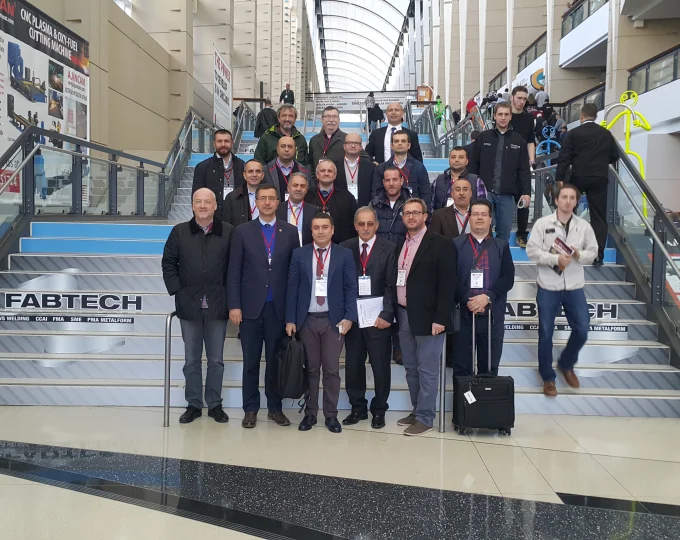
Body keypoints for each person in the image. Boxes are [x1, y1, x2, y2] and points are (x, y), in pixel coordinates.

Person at [227, 184, 300, 429]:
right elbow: (234, 271)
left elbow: (294, 275)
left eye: (271, 198)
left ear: (278, 202)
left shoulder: (290, 232)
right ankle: (250, 409)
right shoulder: (242, 231)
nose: (267, 203)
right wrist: (234, 305)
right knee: (250, 362)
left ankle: (275, 408)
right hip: (249, 309)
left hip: (277, 309)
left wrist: (291, 314)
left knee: (274, 362)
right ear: (255, 202)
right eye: (262, 198)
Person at [161, 188, 234, 424]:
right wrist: (179, 291)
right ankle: (193, 404)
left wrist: (232, 298)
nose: (203, 206)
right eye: (198, 202)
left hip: (218, 305)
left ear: (215, 205)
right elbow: (168, 263)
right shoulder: (179, 231)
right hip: (189, 305)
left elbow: (235, 267)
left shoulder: (228, 232)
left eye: (207, 202)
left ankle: (214, 404)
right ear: (192, 206)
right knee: (191, 361)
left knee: (216, 361)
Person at [285, 212, 358, 433]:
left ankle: (331, 415)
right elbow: (292, 288)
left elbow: (351, 287)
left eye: (325, 227)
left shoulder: (344, 254)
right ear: (311, 230)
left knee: (331, 369)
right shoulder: (299, 254)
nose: (320, 231)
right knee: (311, 369)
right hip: (306, 320)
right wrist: (290, 319)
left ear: (332, 230)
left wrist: (350, 317)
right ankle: (310, 413)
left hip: (333, 321)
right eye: (316, 227)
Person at [526, 183, 598, 396]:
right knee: (546, 333)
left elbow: (593, 252)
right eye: (564, 197)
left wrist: (579, 255)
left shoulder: (584, 226)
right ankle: (548, 377)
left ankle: (566, 363)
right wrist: (554, 259)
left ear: (576, 201)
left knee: (582, 329)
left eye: (572, 198)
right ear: (556, 200)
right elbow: (532, 251)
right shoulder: (542, 224)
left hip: (574, 287)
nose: (568, 201)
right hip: (548, 286)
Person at [395, 198, 455, 436]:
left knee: (427, 370)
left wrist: (441, 318)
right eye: (407, 213)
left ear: (425, 216)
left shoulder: (440, 244)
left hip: (430, 318)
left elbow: (447, 285)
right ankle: (417, 410)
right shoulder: (401, 243)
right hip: (404, 314)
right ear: (402, 218)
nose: (411, 217)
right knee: (411, 368)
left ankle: (425, 417)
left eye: (415, 213)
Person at [340, 207, 397, 429]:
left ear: (377, 225)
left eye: (370, 224)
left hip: (378, 320)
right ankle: (358, 408)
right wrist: (346, 315)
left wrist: (387, 315)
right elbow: (341, 284)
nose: (365, 228)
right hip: (353, 319)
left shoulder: (389, 248)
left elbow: (392, 285)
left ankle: (379, 410)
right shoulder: (345, 248)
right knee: (353, 366)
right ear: (355, 226)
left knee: (380, 367)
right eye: (361, 224)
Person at [452, 199, 515, 380]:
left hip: (492, 317)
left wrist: (487, 297)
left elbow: (507, 278)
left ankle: (485, 400)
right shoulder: (456, 244)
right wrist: (468, 299)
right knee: (461, 369)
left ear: (490, 219)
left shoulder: (501, 245)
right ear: (469, 218)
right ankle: (463, 400)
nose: (479, 218)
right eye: (475, 214)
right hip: (464, 315)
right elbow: (451, 276)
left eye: (484, 214)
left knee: (489, 370)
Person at [555, 103, 619, 265]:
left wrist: (560, 177)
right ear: (595, 116)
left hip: (578, 176)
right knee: (598, 216)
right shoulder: (606, 134)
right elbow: (615, 155)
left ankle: (565, 249)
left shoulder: (574, 133)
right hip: (599, 177)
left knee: (568, 211)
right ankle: (597, 255)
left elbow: (564, 157)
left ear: (581, 117)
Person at [468, 102, 531, 242]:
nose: (503, 117)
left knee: (504, 234)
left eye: (506, 114)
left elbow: (524, 170)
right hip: (484, 193)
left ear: (510, 117)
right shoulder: (483, 138)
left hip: (507, 195)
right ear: (494, 116)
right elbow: (473, 165)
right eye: (500, 114)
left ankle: (501, 256)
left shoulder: (519, 140)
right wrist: (472, 188)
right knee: (482, 232)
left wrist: (526, 192)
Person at [370, 166, 411, 366]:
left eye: (395, 179)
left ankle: (399, 347)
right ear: (383, 182)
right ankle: (380, 345)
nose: (391, 183)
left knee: (400, 303)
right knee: (382, 300)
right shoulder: (374, 204)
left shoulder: (410, 204)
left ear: (402, 181)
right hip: (379, 259)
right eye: (387, 180)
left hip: (404, 260)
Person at [192, 129, 246, 220]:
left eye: (226, 141)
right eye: (219, 141)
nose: (223, 144)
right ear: (214, 144)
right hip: (212, 219)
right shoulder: (202, 167)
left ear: (232, 143)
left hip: (237, 219)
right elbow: (196, 196)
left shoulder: (242, 166)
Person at [372, 131, 431, 209]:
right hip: (388, 213)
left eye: (403, 141)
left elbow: (426, 194)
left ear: (409, 145)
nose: (400, 143)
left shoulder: (419, 167)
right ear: (391, 146)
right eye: (396, 141)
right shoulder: (380, 169)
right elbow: (376, 195)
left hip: (413, 213)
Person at [509, 86, 537, 249]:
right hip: (506, 165)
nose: (521, 101)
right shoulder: (505, 115)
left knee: (524, 201)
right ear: (512, 98)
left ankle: (522, 234)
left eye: (524, 99)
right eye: (519, 98)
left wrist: (531, 159)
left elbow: (530, 140)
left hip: (522, 166)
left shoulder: (528, 118)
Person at [305, 159, 358, 243]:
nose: (326, 173)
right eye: (322, 171)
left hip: (340, 245)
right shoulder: (308, 196)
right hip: (312, 244)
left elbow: (353, 224)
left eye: (329, 171)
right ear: (317, 175)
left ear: (335, 175)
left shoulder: (347, 197)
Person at [432, 146, 486, 211]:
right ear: (449, 160)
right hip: (441, 217)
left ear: (467, 161)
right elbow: (430, 205)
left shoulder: (476, 181)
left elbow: (483, 207)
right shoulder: (438, 180)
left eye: (461, 157)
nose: (456, 160)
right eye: (453, 157)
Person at [276, 172, 320, 246]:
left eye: (302, 186)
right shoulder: (277, 210)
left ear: (306, 190)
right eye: (295, 185)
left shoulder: (314, 211)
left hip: (305, 251)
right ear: (288, 188)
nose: (298, 189)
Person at [224, 159, 272, 226]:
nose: (254, 175)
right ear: (244, 175)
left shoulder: (271, 197)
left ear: (262, 175)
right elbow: (228, 225)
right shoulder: (232, 198)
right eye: (250, 171)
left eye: (258, 171)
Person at [263, 136, 310, 201]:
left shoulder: (305, 171)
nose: (286, 150)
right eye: (283, 146)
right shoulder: (265, 170)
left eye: (290, 147)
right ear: (277, 149)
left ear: (295, 149)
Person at [335, 132, 376, 206]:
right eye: (349, 143)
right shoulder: (334, 166)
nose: (353, 145)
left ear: (361, 147)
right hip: (341, 207)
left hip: (364, 207)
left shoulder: (371, 167)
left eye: (356, 143)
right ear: (344, 146)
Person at [308, 106, 348, 173]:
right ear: (322, 119)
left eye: (334, 116)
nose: (331, 120)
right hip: (318, 179)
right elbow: (310, 164)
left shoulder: (347, 139)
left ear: (339, 120)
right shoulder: (314, 140)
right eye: (328, 116)